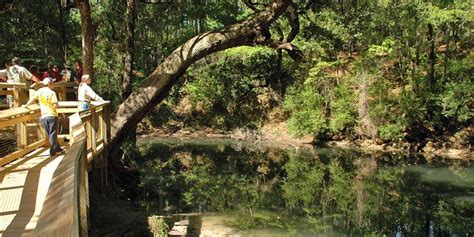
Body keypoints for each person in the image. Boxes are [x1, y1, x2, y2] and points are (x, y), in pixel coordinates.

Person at [22, 77, 63, 155]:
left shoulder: (40, 91)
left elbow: (33, 99)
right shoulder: (52, 93)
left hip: (44, 116)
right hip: (52, 115)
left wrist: (26, 105)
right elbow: (55, 105)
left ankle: (58, 149)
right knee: (53, 133)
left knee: (50, 134)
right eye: (52, 83)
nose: (53, 84)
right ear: (49, 84)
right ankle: (53, 151)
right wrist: (55, 107)